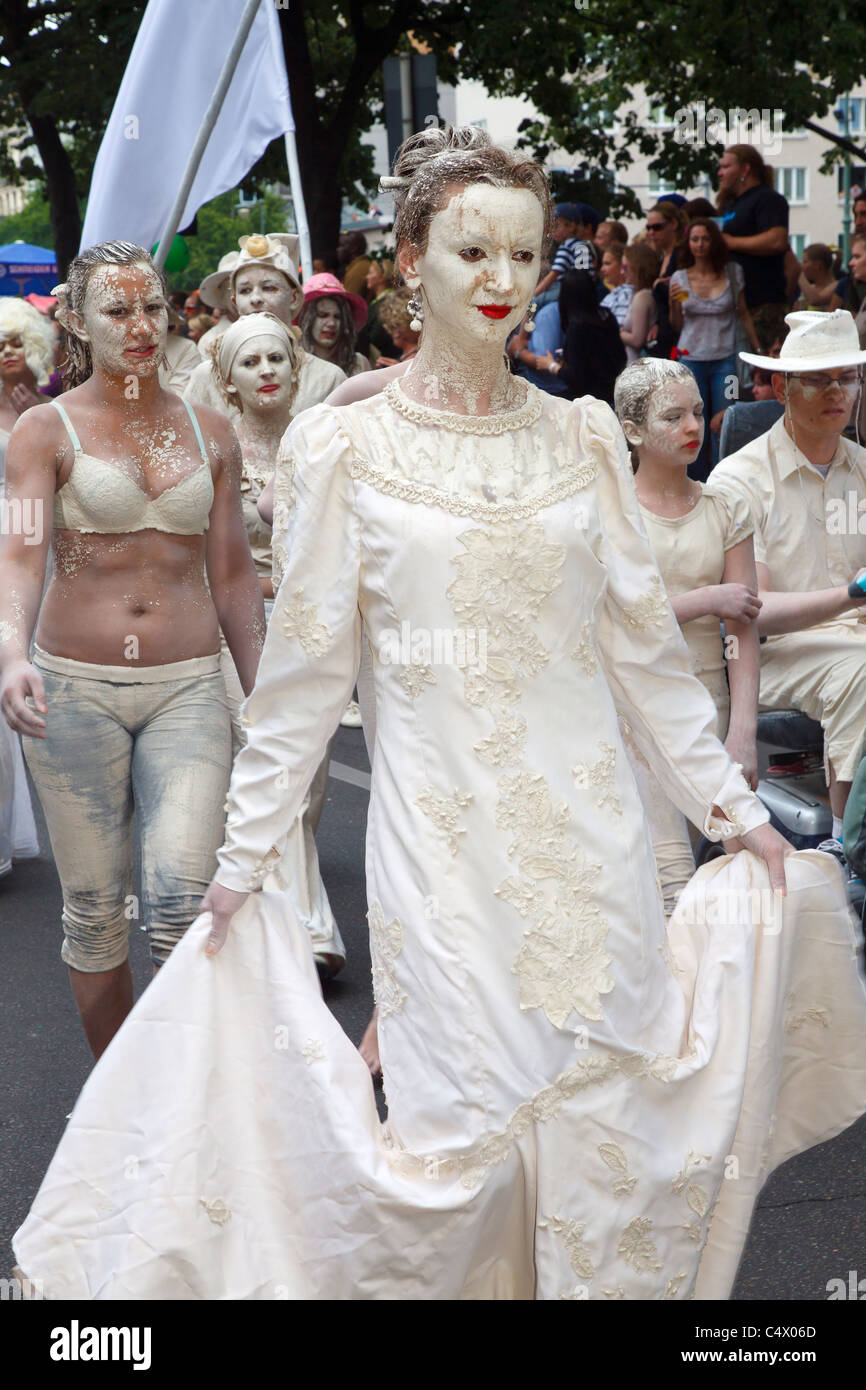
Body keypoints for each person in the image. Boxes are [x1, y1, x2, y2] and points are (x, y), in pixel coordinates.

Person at [15, 126, 866, 1306]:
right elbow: (306, 676)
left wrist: (735, 816)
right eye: (471, 248)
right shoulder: (342, 445)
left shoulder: (578, 435)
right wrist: (246, 856)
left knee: (606, 1145)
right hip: (441, 859)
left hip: (591, 856)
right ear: (409, 258)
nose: (501, 279)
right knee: (457, 1145)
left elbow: (640, 661)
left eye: (523, 253)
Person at [0, 241, 263, 1061]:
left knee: (186, 900)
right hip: (73, 690)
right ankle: (120, 1090)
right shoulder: (43, 430)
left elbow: (233, 578)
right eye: (119, 310)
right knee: (93, 908)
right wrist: (11, 654)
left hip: (188, 688)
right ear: (76, 320)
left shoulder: (211, 430)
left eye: (153, 305)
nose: (142, 324)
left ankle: (182, 1090)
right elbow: (18, 553)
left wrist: (268, 695)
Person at [210, 311, 346, 976]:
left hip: (312, 629)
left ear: (296, 371)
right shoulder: (214, 447)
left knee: (310, 781)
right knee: (275, 760)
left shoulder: (319, 442)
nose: (266, 371)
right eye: (251, 362)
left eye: (276, 360)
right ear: (228, 381)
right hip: (235, 627)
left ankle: (270, 907)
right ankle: (311, 934)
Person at [712, 309, 866, 844]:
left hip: (853, 644)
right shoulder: (740, 479)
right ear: (781, 387)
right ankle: (851, 847)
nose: (837, 392)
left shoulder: (863, 468)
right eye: (820, 380)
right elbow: (754, 608)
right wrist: (851, 594)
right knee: (861, 669)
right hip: (773, 656)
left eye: (847, 377)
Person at [614, 359, 761, 910]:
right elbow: (610, 619)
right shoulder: (614, 511)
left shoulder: (726, 506)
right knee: (670, 878)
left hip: (710, 702)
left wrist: (743, 731)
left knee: (734, 869)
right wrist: (705, 599)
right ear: (632, 431)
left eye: (698, 411)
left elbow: (742, 630)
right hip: (635, 705)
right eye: (672, 416)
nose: (694, 426)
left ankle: (725, 990)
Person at [185, 234, 347, 415]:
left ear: (293, 297)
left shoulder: (328, 378)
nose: (255, 299)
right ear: (235, 301)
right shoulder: (207, 376)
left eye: (269, 287)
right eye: (245, 290)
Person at [0, 299, 50, 877]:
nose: (10, 351)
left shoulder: (53, 407)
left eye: (17, 340)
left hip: (38, 546)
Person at [669, 218, 760, 478]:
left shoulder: (732, 272)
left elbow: (743, 313)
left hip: (726, 359)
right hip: (691, 359)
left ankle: (725, 477)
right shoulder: (680, 277)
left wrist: (758, 349)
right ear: (688, 243)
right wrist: (674, 304)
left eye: (705, 238)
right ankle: (695, 479)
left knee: (726, 419)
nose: (699, 244)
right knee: (692, 421)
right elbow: (677, 325)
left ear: (714, 241)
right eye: (695, 239)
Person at [716, 145, 789, 352]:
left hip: (764, 306)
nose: (720, 173)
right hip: (739, 307)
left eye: (726, 166)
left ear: (745, 170)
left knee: (766, 372)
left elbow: (777, 240)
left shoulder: (767, 199)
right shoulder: (733, 205)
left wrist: (731, 242)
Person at [541, 269, 626, 404]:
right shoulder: (606, 316)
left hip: (590, 400)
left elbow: (578, 377)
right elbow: (619, 357)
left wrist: (551, 366)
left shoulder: (578, 327)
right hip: (612, 393)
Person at [299, 272, 370, 378]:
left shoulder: (360, 364)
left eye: (338, 317)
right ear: (306, 319)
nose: (331, 323)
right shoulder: (294, 365)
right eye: (323, 315)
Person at [532, 201, 598, 305]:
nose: (552, 231)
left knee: (532, 303)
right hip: (584, 289)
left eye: (556, 226)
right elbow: (586, 274)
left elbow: (554, 274)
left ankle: (526, 322)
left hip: (570, 290)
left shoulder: (567, 246)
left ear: (571, 226)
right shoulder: (581, 246)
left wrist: (534, 294)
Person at [645, 201, 687, 359]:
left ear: (674, 224)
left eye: (657, 227)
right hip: (663, 334)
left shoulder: (682, 256)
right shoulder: (661, 258)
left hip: (681, 336)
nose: (651, 233)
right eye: (648, 228)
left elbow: (686, 296)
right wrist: (655, 322)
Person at [619, 240, 659, 361]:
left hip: (636, 364)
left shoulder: (642, 297)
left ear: (637, 267)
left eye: (625, 267)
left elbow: (637, 340)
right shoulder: (641, 294)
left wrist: (616, 332)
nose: (622, 272)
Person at [362, 257, 399, 363]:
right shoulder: (381, 300)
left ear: (382, 277)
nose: (367, 277)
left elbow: (376, 336)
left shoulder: (387, 302)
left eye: (370, 273)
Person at [795, 244, 844, 311]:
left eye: (805, 262)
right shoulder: (810, 288)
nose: (802, 266)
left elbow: (815, 300)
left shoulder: (837, 286)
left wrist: (798, 272)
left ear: (817, 265)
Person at [599, 243, 633, 326]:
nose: (602, 269)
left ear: (622, 265)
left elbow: (617, 326)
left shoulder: (626, 294)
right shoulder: (612, 294)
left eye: (607, 264)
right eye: (602, 264)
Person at [338, 230, 373, 300]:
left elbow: (349, 304)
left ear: (353, 248)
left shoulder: (357, 271)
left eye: (341, 245)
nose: (338, 249)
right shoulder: (366, 265)